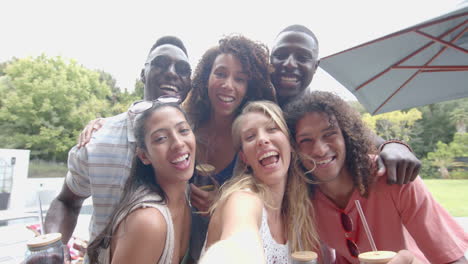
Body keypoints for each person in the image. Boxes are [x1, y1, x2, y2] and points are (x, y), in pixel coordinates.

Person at [44, 35, 192, 254]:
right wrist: (50, 250)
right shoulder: (98, 141)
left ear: (189, 83)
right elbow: (67, 202)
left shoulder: (195, 143)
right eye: (160, 64)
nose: (171, 72)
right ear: (143, 73)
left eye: (182, 69)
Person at [284, 91, 468, 263]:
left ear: (347, 136)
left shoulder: (393, 177)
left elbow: (451, 258)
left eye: (330, 134)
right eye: (305, 140)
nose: (320, 150)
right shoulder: (302, 197)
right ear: (295, 149)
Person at [270, 24, 422, 185]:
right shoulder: (253, 109)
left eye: (302, 58)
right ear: (270, 60)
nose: (289, 63)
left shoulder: (325, 112)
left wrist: (394, 147)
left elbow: (368, 139)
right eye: (280, 55)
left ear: (315, 66)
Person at [183, 34, 276, 261]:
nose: (228, 85)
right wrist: (100, 123)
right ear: (207, 77)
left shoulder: (251, 140)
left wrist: (220, 205)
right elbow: (146, 119)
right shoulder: (185, 125)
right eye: (221, 74)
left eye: (240, 79)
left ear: (249, 88)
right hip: (173, 246)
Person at [201, 100, 319, 263]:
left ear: (290, 144)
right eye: (250, 136)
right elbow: (237, 245)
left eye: (272, 129)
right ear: (244, 158)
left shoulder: (299, 211)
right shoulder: (242, 200)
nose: (262, 140)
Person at [86, 100, 194, 264]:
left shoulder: (186, 196)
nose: (178, 143)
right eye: (161, 138)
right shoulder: (148, 222)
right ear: (144, 156)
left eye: (183, 130)